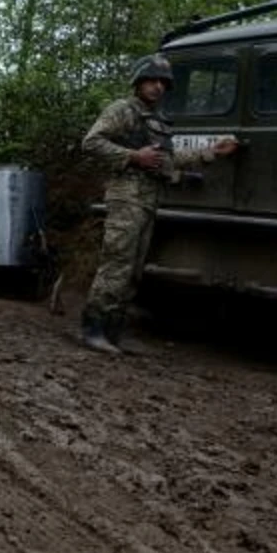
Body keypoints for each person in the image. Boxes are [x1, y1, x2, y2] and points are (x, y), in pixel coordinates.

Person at [78, 53, 239, 354]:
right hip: (126, 196)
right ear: (138, 82)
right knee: (117, 265)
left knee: (134, 269)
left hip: (149, 200)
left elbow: (169, 159)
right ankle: (93, 329)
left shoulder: (159, 121)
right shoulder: (122, 110)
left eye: (163, 83)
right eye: (152, 81)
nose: (158, 87)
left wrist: (212, 152)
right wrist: (132, 156)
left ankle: (115, 331)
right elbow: (91, 142)